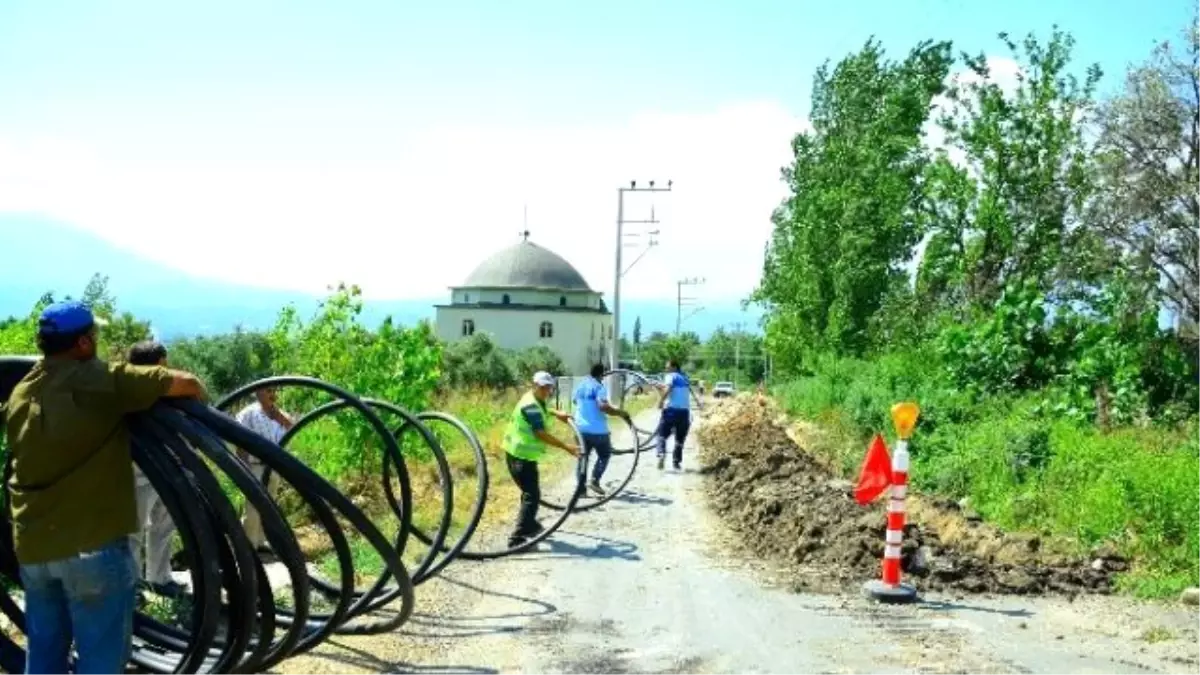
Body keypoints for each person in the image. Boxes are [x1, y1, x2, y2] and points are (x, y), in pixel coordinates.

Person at [3, 301, 205, 675]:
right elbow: (188, 384)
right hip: (91, 547)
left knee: (44, 656)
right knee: (101, 661)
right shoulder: (99, 381)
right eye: (93, 335)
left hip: (34, 549)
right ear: (82, 343)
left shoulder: (20, 393)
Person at [125, 340, 185, 599]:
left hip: (164, 471)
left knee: (164, 525)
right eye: (162, 365)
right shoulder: (128, 393)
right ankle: (132, 585)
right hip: (135, 474)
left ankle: (159, 578)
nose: (166, 369)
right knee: (132, 531)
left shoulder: (165, 393)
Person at [503, 371, 579, 548]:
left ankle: (530, 526)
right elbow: (541, 434)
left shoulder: (533, 399)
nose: (546, 391)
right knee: (532, 496)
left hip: (519, 454)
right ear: (534, 385)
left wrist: (555, 413)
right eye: (543, 387)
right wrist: (567, 447)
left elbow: (542, 409)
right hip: (521, 456)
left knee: (530, 493)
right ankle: (517, 539)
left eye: (549, 387)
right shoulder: (530, 404)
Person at [234, 386, 294, 554]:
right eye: (268, 391)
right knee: (253, 509)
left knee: (270, 507)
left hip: (273, 467)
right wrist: (243, 467)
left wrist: (280, 416)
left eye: (274, 391)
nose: (271, 394)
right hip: (255, 467)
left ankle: (261, 541)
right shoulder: (249, 413)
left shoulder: (279, 414)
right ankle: (249, 548)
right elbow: (239, 439)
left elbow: (292, 428)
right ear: (258, 393)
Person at [572, 363, 631, 496]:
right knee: (604, 454)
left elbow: (576, 402)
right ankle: (594, 479)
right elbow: (603, 406)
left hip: (579, 430)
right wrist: (621, 413)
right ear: (601, 374)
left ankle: (581, 490)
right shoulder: (599, 387)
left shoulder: (580, 386)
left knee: (583, 458)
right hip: (598, 431)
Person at [653, 359, 692, 471]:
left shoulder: (671, 376)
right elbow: (675, 391)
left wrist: (660, 401)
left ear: (674, 367)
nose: (666, 369)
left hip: (671, 411)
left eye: (668, 367)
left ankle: (661, 454)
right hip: (684, 413)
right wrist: (660, 387)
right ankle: (676, 463)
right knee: (679, 440)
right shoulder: (685, 377)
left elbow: (669, 389)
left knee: (661, 435)